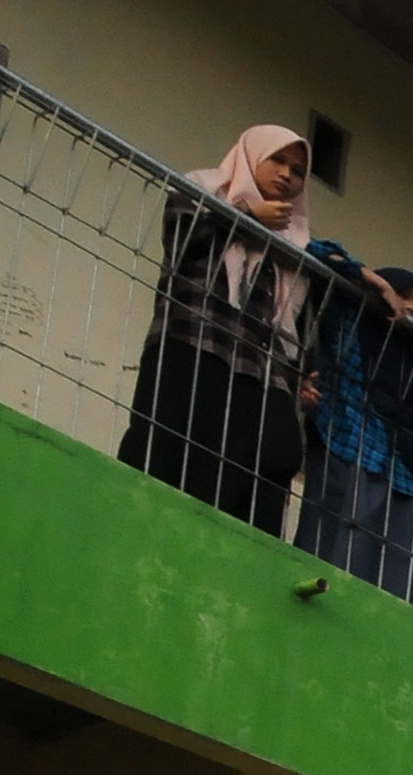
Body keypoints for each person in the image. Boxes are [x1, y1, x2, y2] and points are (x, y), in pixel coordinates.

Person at [119, 127, 314, 533]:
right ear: (251, 156)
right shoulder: (204, 189)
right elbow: (184, 238)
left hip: (254, 372)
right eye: (276, 160)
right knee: (169, 458)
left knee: (249, 474)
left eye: (297, 170)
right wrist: (247, 219)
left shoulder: (294, 239)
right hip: (193, 346)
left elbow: (292, 320)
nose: (286, 175)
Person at [291, 250, 413, 597]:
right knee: (333, 566)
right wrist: (378, 284)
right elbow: (318, 251)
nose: (411, 309)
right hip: (345, 454)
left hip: (401, 481)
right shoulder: (350, 326)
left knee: (390, 586)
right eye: (405, 297)